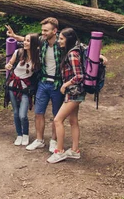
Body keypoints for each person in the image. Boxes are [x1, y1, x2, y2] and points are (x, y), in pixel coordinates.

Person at [6, 17, 63, 153]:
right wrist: (15, 36)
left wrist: (99, 56)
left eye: (45, 30)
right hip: (43, 82)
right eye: (42, 30)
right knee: (38, 113)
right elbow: (29, 41)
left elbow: (78, 47)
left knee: (56, 115)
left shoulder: (62, 42)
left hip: (57, 83)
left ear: (54, 31)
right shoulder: (42, 42)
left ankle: (54, 141)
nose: (42, 33)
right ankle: (39, 140)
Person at [47, 27, 87, 163]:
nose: (59, 41)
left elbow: (79, 75)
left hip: (74, 92)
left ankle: (59, 151)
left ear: (69, 39)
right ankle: (75, 151)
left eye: (62, 39)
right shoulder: (75, 50)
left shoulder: (72, 54)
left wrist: (65, 84)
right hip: (76, 92)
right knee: (73, 120)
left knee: (58, 120)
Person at [5, 33, 41, 146]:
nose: (25, 42)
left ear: (34, 43)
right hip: (13, 85)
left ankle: (25, 134)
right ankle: (19, 135)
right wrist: (8, 66)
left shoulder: (37, 57)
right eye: (25, 40)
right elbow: (9, 64)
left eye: (28, 41)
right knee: (15, 112)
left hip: (25, 88)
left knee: (23, 115)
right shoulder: (18, 52)